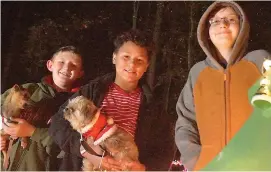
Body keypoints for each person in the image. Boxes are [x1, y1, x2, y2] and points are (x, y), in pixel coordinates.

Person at [175, 1, 271, 171]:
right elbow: (186, 122)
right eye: (216, 21)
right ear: (207, 30)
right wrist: (196, 161)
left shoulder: (260, 61)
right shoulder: (197, 73)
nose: (223, 24)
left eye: (231, 19)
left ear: (243, 26)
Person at [48, 29, 155, 171]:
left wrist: (144, 168)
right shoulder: (92, 91)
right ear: (114, 58)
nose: (131, 65)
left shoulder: (153, 107)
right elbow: (57, 123)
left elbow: (163, 149)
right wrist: (85, 151)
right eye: (126, 57)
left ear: (146, 66)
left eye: (139, 60)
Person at [0, 46, 84, 171]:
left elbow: (72, 145)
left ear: (80, 73)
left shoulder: (78, 105)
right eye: (61, 62)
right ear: (50, 65)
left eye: (74, 65)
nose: (67, 68)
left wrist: (33, 132)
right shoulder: (28, 89)